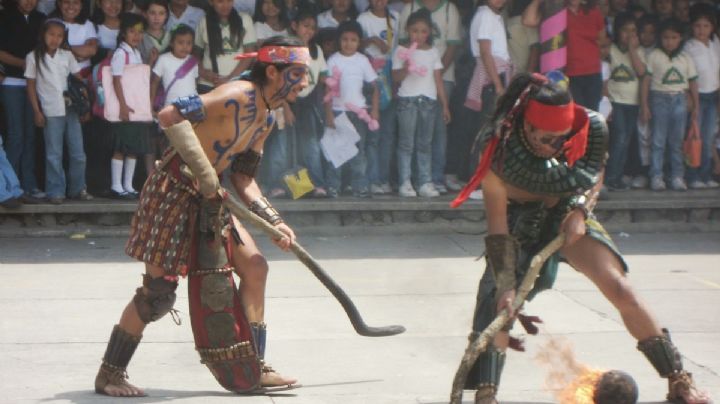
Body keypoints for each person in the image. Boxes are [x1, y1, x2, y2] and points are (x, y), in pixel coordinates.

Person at [451, 72, 711, 404]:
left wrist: (579, 211)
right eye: (547, 139)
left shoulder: (589, 127)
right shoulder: (498, 151)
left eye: (562, 139)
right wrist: (506, 285)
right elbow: (498, 228)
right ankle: (487, 396)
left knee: (620, 288)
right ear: (527, 127)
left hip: (568, 210)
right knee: (500, 307)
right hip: (518, 224)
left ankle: (679, 381)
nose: (555, 147)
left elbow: (593, 175)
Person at [94, 35, 307, 397]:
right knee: (157, 295)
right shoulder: (236, 94)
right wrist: (204, 173)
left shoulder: (266, 120)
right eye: (298, 74)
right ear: (273, 71)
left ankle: (254, 367)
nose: (304, 83)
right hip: (172, 193)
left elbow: (243, 177)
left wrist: (273, 220)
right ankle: (110, 374)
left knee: (255, 267)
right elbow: (169, 115)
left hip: (212, 201)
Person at [25, 18, 92, 204]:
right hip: (50, 109)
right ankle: (55, 191)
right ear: (43, 35)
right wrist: (37, 111)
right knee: (54, 154)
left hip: (71, 108)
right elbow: (30, 86)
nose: (55, 39)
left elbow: (78, 80)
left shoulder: (67, 56)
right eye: (51, 34)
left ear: (64, 38)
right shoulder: (33, 57)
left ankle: (78, 188)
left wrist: (86, 103)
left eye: (59, 36)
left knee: (78, 152)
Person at [392, 8, 449, 198]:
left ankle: (424, 181)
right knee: (406, 144)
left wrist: (445, 105)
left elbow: (438, 80)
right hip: (407, 100)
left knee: (425, 144)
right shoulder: (401, 50)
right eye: (414, 30)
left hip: (429, 101)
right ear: (408, 30)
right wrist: (406, 69)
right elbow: (395, 77)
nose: (419, 35)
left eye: (423, 31)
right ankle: (405, 182)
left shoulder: (433, 52)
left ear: (430, 32)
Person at [640, 17, 698, 192]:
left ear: (680, 38)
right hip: (659, 99)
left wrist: (696, 105)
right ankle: (656, 176)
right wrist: (644, 105)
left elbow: (693, 82)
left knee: (676, 141)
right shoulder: (655, 56)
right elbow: (646, 81)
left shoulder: (685, 58)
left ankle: (677, 176)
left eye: (674, 37)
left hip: (680, 99)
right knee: (658, 140)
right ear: (660, 38)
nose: (670, 41)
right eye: (666, 37)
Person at [324, 20, 379, 198]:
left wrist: (375, 111)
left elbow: (375, 87)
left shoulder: (362, 61)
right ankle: (334, 186)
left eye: (353, 40)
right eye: (345, 39)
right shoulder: (333, 60)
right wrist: (329, 114)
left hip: (358, 113)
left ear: (359, 42)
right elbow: (327, 91)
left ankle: (359, 186)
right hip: (338, 112)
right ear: (339, 41)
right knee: (337, 150)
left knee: (358, 152)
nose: (349, 43)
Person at [0, 0, 46, 202]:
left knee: (30, 136)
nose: (29, 1)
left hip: (36, 85)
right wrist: (28, 65)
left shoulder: (42, 20)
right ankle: (10, 185)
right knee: (16, 135)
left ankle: (28, 185)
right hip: (11, 82)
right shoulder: (5, 17)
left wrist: (33, 69)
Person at [107, 12, 151, 199]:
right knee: (121, 146)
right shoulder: (120, 53)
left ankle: (128, 185)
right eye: (132, 31)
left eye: (139, 32)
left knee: (133, 148)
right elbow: (116, 81)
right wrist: (123, 106)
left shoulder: (137, 53)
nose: (136, 36)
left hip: (136, 108)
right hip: (124, 108)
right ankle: (116, 185)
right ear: (124, 33)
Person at [358, 0, 399, 195]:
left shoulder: (395, 19)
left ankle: (384, 178)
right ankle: (373, 179)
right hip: (370, 76)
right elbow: (355, 43)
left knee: (388, 135)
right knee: (373, 136)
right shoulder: (363, 19)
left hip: (391, 76)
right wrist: (372, 40)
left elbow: (399, 49)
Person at [287, 7, 329, 198]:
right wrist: (286, 107)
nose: (309, 31)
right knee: (286, 146)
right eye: (305, 26)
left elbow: (322, 77)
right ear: (294, 26)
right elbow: (280, 81)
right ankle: (288, 187)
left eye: (312, 28)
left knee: (310, 145)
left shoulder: (316, 50)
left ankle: (317, 184)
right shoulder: (286, 49)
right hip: (287, 102)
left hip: (309, 102)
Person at [604, 12, 646, 191]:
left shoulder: (639, 51)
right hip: (616, 101)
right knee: (619, 138)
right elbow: (605, 77)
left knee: (627, 139)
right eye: (625, 30)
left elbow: (641, 72)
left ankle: (618, 176)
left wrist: (632, 50)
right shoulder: (610, 50)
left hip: (633, 102)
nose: (629, 34)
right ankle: (611, 177)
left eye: (633, 31)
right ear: (617, 31)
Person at [683, 3, 720, 189]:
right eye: (698, 26)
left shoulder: (715, 44)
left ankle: (705, 175)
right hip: (698, 98)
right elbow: (688, 76)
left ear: (712, 27)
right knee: (694, 138)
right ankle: (692, 176)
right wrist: (692, 100)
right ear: (692, 27)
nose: (702, 30)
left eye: (706, 26)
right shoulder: (689, 47)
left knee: (708, 137)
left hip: (713, 97)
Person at [194, 0, 256, 94]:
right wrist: (204, 73)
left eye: (229, 1)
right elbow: (196, 54)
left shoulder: (245, 20)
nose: (225, 5)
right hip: (208, 84)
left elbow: (249, 54)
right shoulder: (204, 21)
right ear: (211, 2)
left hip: (236, 83)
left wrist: (230, 78)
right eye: (220, 1)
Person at [50, 0, 98, 79]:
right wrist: (79, 54)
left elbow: (92, 50)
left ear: (81, 5)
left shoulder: (87, 24)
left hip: (83, 74)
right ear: (59, 3)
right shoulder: (51, 23)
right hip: (56, 75)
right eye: (66, 2)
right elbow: (50, 52)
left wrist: (66, 48)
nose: (71, 6)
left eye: (75, 2)